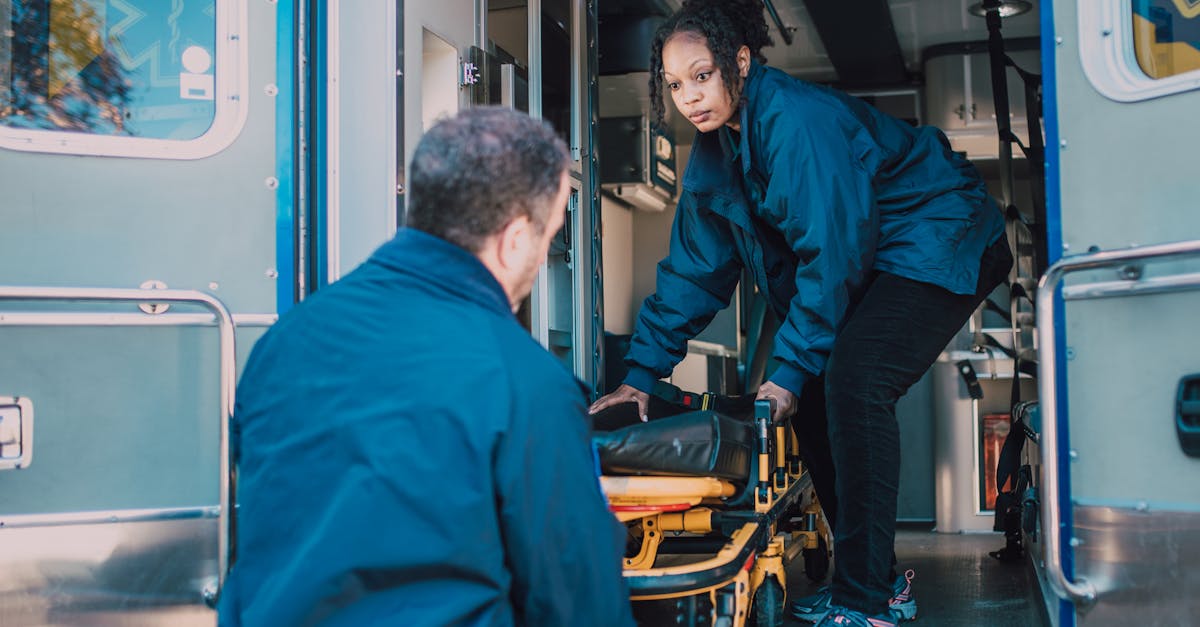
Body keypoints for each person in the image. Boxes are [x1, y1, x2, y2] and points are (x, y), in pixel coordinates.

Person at [588, 1, 1013, 625]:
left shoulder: (797, 122)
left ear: (740, 62)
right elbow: (694, 271)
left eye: (702, 76)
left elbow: (833, 251)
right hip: (875, 257)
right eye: (675, 84)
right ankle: (878, 581)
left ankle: (865, 602)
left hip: (943, 235)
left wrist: (789, 368)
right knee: (814, 387)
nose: (690, 98)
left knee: (857, 379)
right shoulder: (714, 153)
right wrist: (639, 376)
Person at [220, 107, 635, 627]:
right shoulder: (526, 384)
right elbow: (580, 604)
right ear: (514, 240)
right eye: (548, 234)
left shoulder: (285, 343)